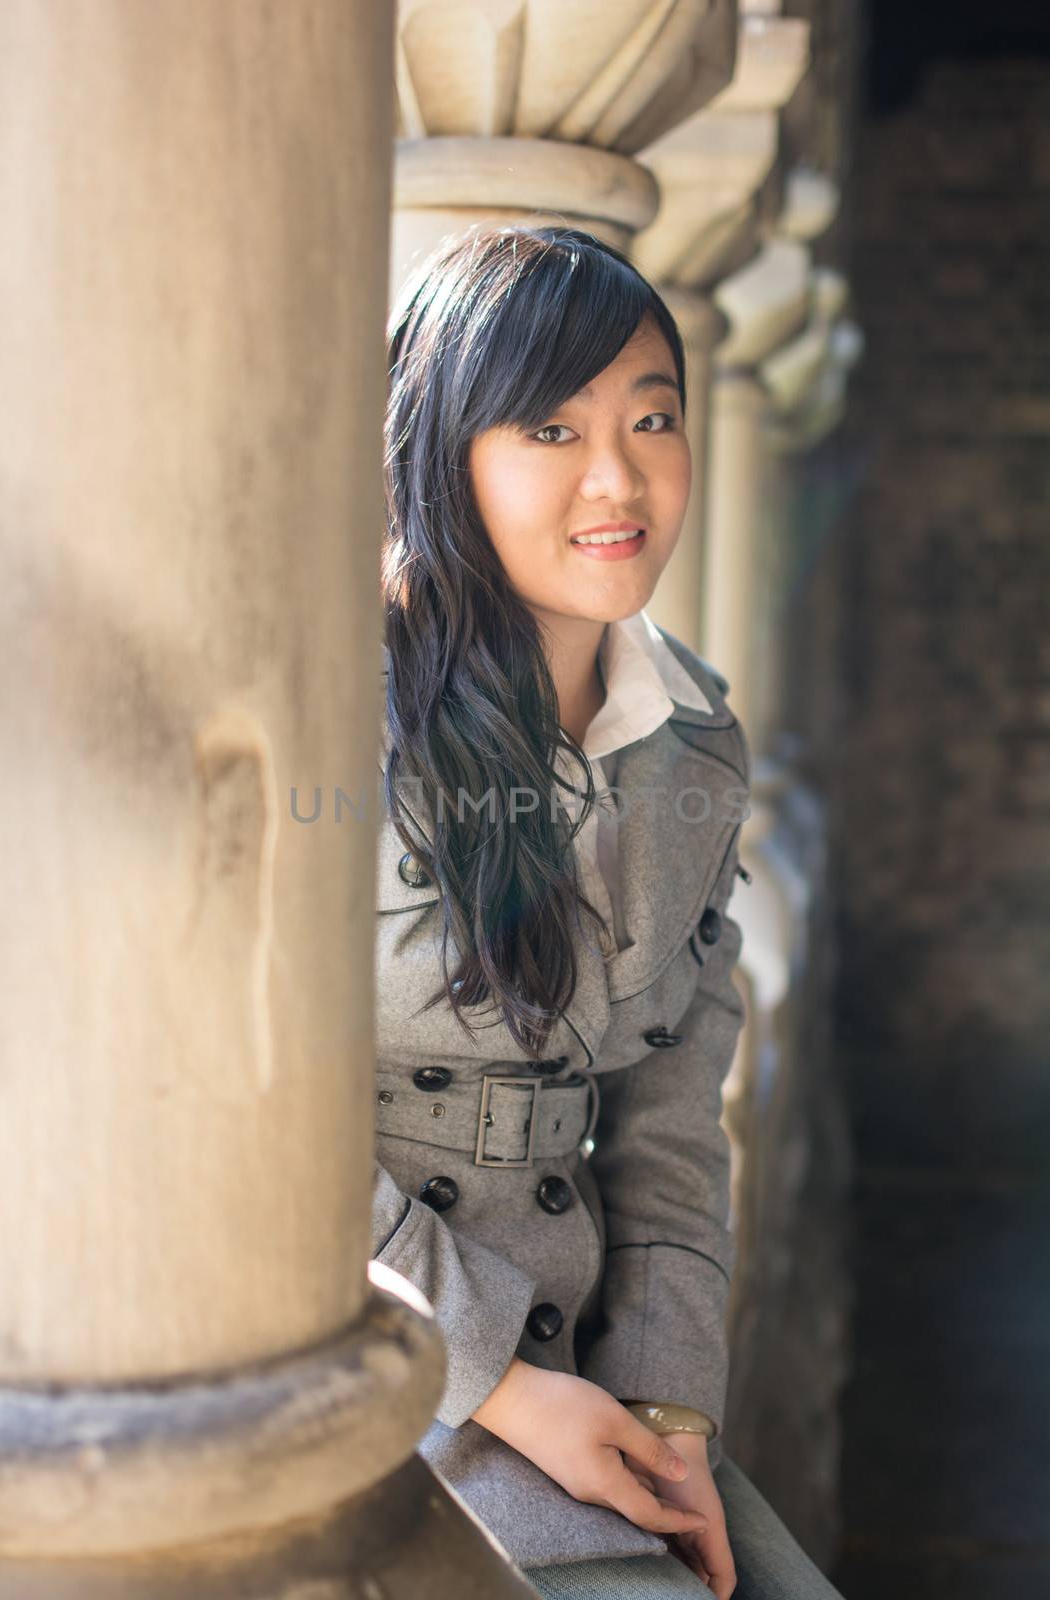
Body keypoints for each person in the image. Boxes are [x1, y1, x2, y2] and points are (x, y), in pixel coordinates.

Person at [373, 222, 846, 1599]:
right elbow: (222, 1113)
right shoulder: (339, 726)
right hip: (381, 1358)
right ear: (442, 451)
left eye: (652, 417)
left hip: (585, 1370)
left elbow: (671, 1111)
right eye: (550, 429)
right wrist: (501, 1387)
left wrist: (671, 1408)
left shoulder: (691, 741)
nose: (620, 478)